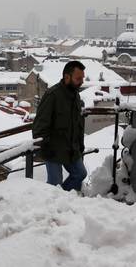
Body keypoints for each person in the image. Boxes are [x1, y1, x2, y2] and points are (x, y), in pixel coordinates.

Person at [32, 61, 87, 191]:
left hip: (72, 149)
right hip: (53, 149)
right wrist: (46, 147)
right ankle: (52, 205)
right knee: (55, 183)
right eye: (78, 78)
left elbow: (78, 123)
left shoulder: (75, 95)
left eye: (82, 78)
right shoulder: (52, 95)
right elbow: (39, 126)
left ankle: (63, 198)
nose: (82, 82)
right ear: (67, 77)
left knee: (80, 174)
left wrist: (80, 144)